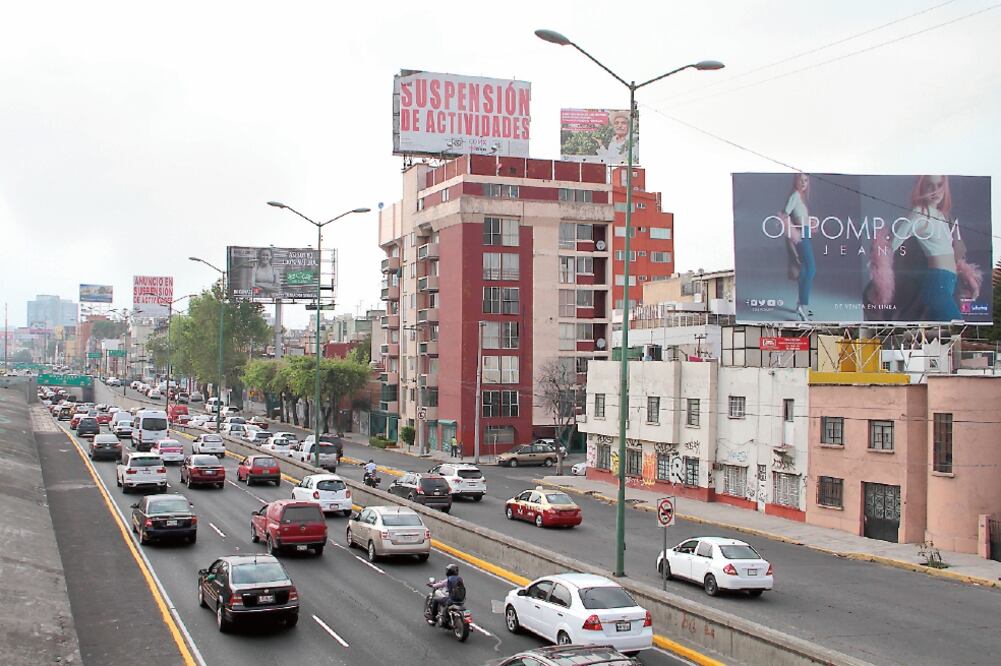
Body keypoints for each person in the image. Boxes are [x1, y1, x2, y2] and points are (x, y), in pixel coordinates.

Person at [867, 175, 978, 321]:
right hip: (937, 284)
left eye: (939, 185)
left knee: (938, 336)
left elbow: (949, 254)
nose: (935, 191)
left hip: (947, 283)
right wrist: (881, 270)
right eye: (929, 186)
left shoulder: (941, 215)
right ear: (921, 188)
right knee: (955, 326)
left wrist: (969, 278)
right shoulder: (920, 213)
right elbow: (892, 245)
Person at [783, 173, 816, 321]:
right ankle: (803, 305)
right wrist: (795, 232)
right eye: (801, 180)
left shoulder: (801, 197)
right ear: (795, 181)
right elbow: (784, 215)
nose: (804, 183)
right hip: (801, 233)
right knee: (811, 268)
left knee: (805, 268)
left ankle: (800, 305)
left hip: (806, 232)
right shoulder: (795, 195)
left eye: (806, 180)